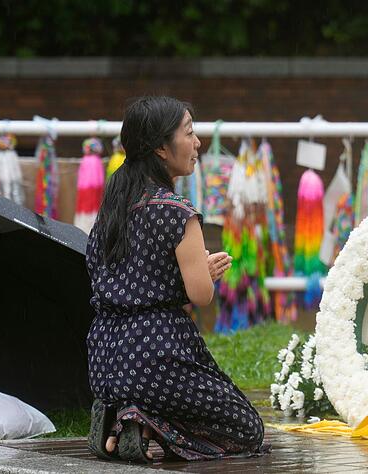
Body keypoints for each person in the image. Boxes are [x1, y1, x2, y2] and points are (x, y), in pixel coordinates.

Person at [85, 96, 266, 462]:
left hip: (104, 357)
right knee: (248, 429)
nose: (198, 143)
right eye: (189, 133)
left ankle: (122, 416)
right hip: (157, 355)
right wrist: (205, 271)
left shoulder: (112, 210)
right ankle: (141, 418)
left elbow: (118, 278)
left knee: (170, 396)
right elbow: (200, 296)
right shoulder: (178, 213)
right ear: (161, 149)